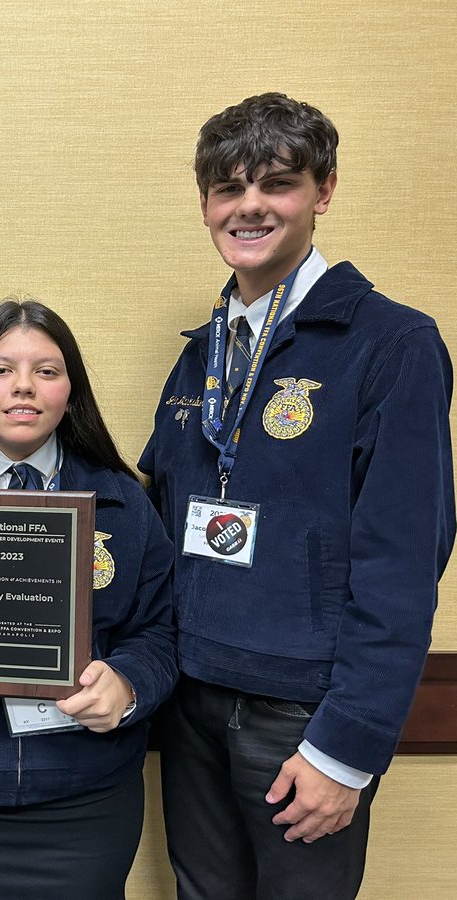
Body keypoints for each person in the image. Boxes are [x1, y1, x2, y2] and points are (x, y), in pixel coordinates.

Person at [140, 93, 456, 899]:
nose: (247, 206)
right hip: (191, 697)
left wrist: (344, 749)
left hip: (301, 720)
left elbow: (404, 561)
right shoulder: (203, 356)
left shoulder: (393, 345)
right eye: (226, 188)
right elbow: (154, 519)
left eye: (275, 183)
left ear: (324, 190)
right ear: (205, 204)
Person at [0, 298, 178, 900]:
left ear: (72, 392)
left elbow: (161, 633)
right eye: (0, 370)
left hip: (87, 797)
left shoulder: (124, 503)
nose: (24, 386)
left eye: (47, 371)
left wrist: (128, 685)